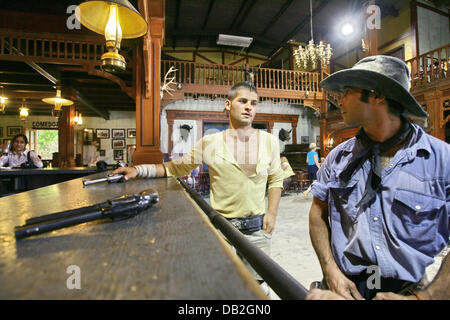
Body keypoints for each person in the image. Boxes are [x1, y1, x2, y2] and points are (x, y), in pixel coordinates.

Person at [112, 81, 284, 293]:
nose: (249, 107)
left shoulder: (269, 141)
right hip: (222, 231)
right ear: (228, 104)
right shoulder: (210, 143)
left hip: (257, 230)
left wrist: (272, 214)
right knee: (221, 289)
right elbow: (175, 167)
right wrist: (139, 170)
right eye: (243, 101)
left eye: (254, 103)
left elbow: (276, 179)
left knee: (257, 290)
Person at [307, 55, 449, 300]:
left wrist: (425, 298)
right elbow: (317, 213)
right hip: (344, 286)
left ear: (376, 94)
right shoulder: (338, 158)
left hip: (409, 290)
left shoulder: (442, 161)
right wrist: (330, 270)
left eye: (347, 91)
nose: (339, 100)